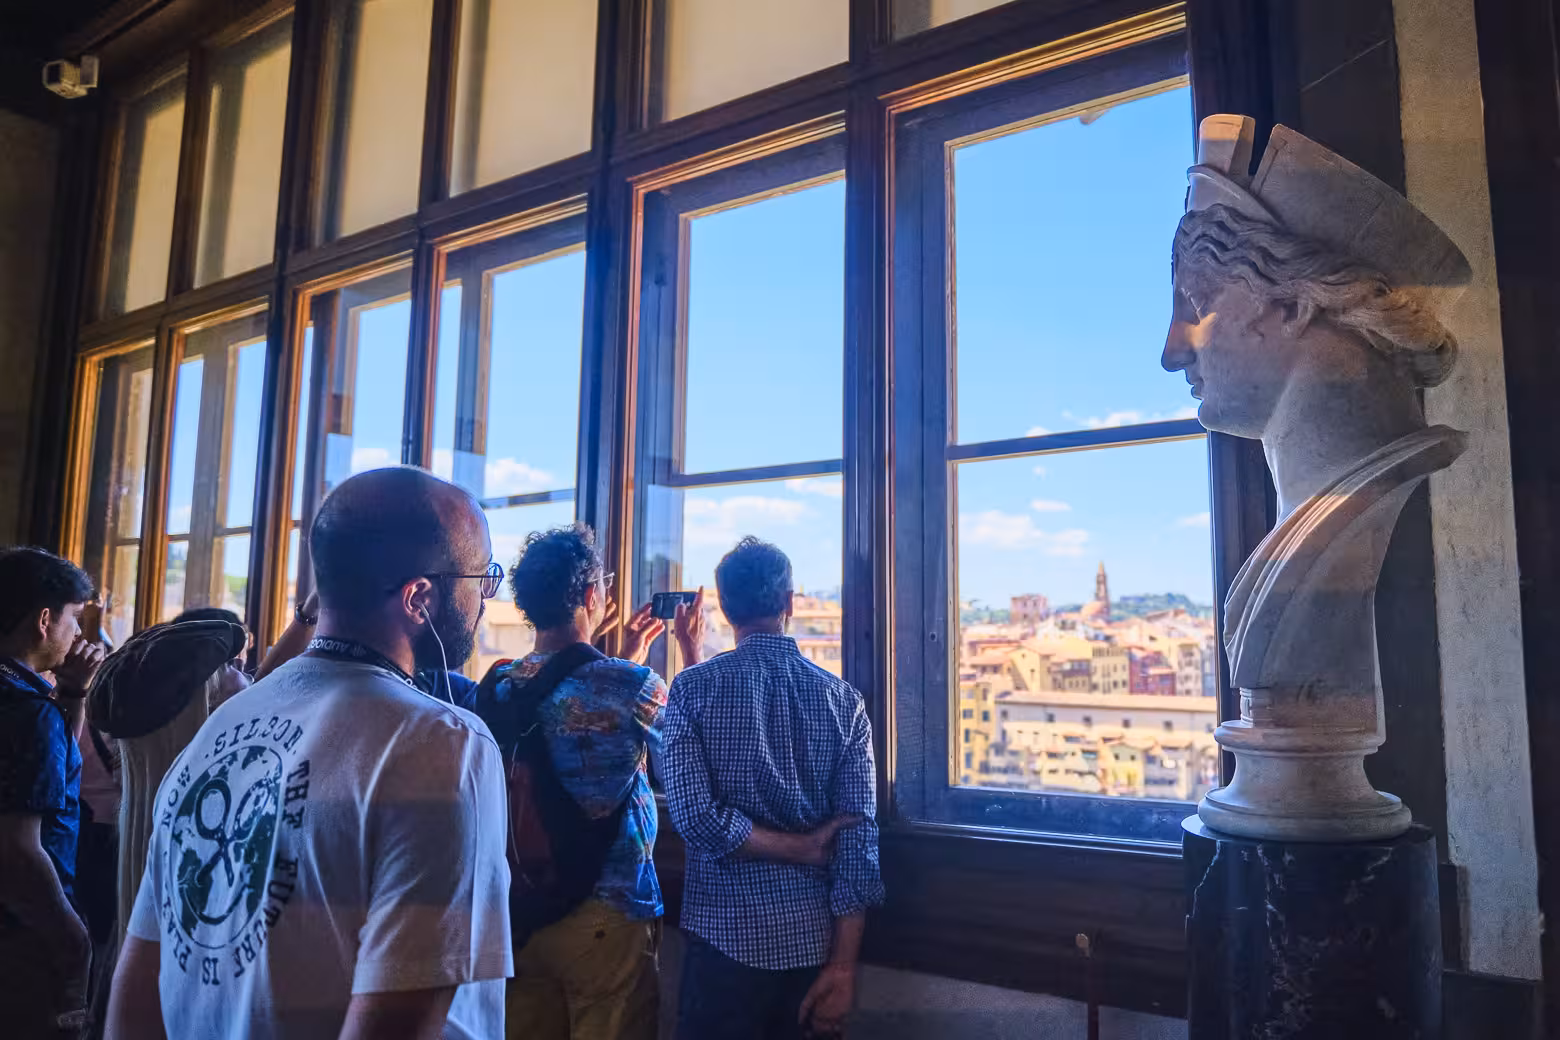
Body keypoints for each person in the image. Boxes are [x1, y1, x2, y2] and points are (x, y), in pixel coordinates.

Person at [105, 466, 512, 1040]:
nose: (484, 600)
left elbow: (139, 986)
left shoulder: (217, 733)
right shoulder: (442, 745)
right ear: (420, 597)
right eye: (479, 578)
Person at [477, 523, 695, 1040]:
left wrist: (628, 655)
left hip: (521, 910)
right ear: (594, 595)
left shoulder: (500, 684)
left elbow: (567, 709)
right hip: (608, 911)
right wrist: (688, 648)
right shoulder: (631, 684)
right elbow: (697, 753)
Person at [662, 537, 883, 1040]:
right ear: (789, 603)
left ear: (723, 606)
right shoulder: (843, 701)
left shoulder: (693, 689)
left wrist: (796, 849)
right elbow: (858, 841)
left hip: (722, 942)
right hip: (812, 948)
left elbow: (694, 818)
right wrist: (844, 967)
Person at [88, 619, 250, 947]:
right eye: (232, 666)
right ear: (208, 717)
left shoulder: (155, 828)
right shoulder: (220, 845)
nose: (245, 667)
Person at [0, 547, 106, 1038]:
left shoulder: (28, 697)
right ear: (45, 620)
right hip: (23, 935)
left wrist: (73, 693)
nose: (79, 635)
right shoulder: (28, 711)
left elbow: (55, 759)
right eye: (74, 620)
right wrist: (72, 937)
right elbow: (17, 847)